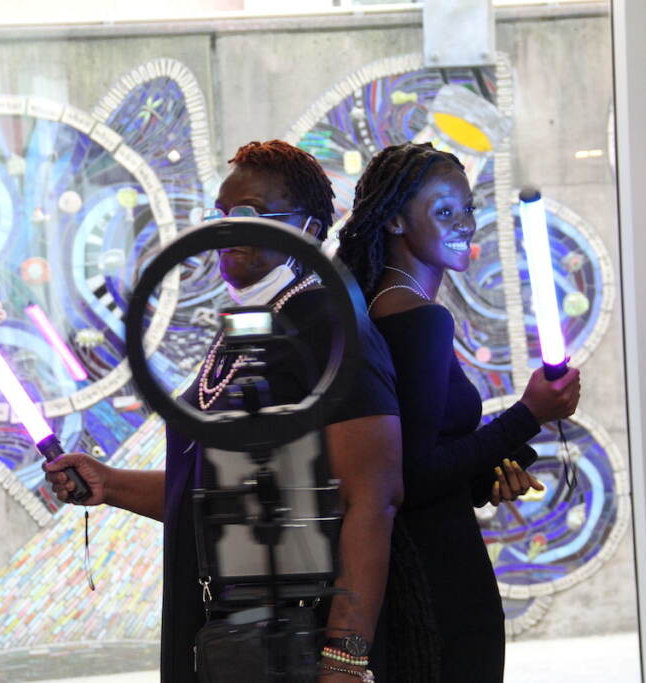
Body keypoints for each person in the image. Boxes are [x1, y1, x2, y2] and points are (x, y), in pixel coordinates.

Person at [46, 140, 402, 682]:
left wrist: (346, 659)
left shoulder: (328, 323)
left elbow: (373, 499)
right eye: (221, 213)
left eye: (251, 215)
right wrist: (110, 484)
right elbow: (211, 490)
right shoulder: (252, 323)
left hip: (291, 644)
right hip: (224, 640)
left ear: (307, 229)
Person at [336, 142, 581, 682]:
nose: (464, 223)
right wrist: (529, 414)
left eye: (467, 208)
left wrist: (485, 469)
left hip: (416, 570)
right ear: (396, 220)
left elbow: (413, 453)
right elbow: (410, 479)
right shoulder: (417, 318)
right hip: (436, 580)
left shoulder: (380, 304)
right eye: (443, 211)